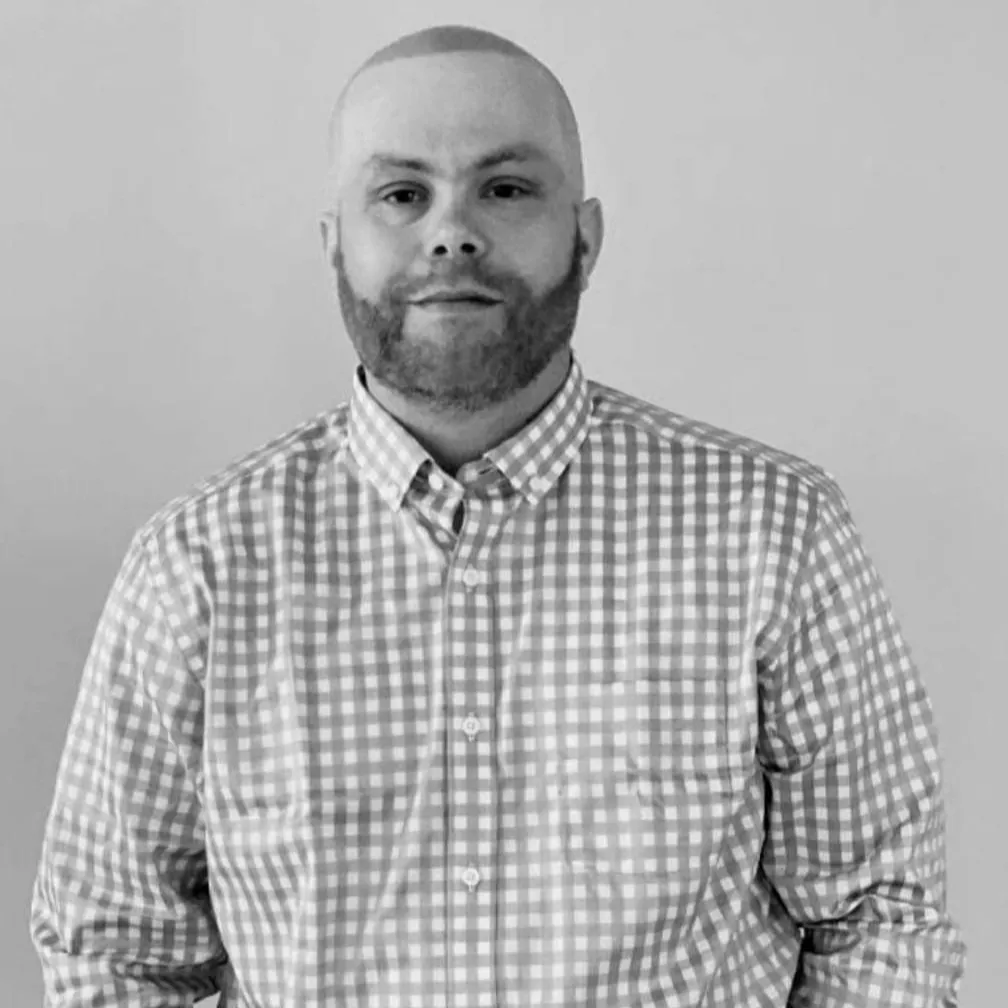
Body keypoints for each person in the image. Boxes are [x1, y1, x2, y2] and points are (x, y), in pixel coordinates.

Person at [30, 23, 966, 1008]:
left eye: (506, 188)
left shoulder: (775, 532)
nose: (451, 231)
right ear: (332, 243)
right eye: (401, 194)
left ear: (586, 236)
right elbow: (117, 947)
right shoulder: (197, 566)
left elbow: (878, 917)